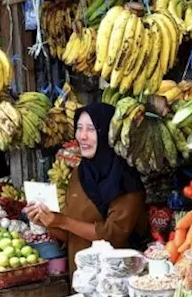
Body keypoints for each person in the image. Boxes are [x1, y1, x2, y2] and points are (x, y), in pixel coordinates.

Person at [25, 102, 146, 276]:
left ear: (106, 133)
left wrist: (62, 221)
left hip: (116, 281)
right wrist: (45, 221)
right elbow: (71, 235)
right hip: (81, 281)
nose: (82, 136)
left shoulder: (125, 179)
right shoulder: (79, 174)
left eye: (90, 129)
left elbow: (113, 234)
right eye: (79, 128)